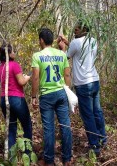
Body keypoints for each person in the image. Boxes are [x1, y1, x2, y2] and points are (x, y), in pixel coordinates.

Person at [58, 21, 107, 156]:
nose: (74, 30)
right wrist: (68, 43)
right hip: (94, 80)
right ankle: (102, 139)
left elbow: (66, 57)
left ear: (83, 29)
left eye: (77, 29)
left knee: (88, 115)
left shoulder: (76, 43)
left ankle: (94, 145)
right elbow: (79, 50)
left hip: (83, 84)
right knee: (97, 111)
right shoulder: (93, 41)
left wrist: (62, 48)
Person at [31, 28, 72, 166]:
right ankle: (67, 158)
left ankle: (49, 160)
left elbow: (35, 77)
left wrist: (33, 96)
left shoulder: (37, 56)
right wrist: (68, 91)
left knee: (49, 128)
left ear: (41, 40)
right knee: (65, 125)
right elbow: (67, 75)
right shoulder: (61, 54)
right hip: (61, 93)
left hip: (46, 95)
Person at [0, 43, 32, 151]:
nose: (14, 53)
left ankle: (10, 157)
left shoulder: (0, 68)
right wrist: (28, 76)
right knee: (27, 125)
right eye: (12, 51)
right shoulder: (14, 65)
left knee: (11, 128)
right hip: (16, 99)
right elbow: (21, 82)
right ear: (8, 54)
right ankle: (28, 152)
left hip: (4, 100)